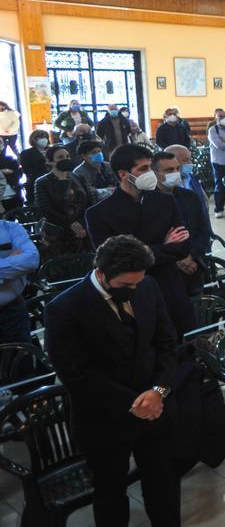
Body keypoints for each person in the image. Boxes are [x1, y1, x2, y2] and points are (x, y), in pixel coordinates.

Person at [45, 235, 180, 526]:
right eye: (125, 286)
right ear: (102, 273)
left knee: (163, 485)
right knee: (110, 494)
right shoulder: (65, 309)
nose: (133, 290)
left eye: (137, 283)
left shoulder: (148, 286)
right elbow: (77, 375)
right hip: (104, 419)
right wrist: (134, 402)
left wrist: (158, 391)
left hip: (154, 406)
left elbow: (167, 342)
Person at [86, 144, 193, 334]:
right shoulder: (99, 213)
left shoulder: (166, 202)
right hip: (132, 294)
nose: (150, 173)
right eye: (143, 169)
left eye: (151, 167)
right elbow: (115, 261)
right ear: (123, 174)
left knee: (181, 346)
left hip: (170, 288)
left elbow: (182, 247)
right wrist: (164, 245)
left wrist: (143, 249)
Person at [151, 151, 208, 296]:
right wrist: (177, 260)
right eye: (169, 170)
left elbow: (203, 230)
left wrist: (190, 256)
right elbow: (152, 238)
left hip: (193, 264)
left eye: (177, 168)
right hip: (163, 270)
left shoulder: (190, 197)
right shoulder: (147, 201)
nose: (175, 173)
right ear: (155, 173)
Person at [35, 145, 94, 257]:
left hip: (83, 229)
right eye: (60, 157)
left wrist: (82, 223)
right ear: (50, 161)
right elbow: (46, 209)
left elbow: (91, 203)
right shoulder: (42, 182)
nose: (66, 159)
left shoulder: (79, 178)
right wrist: (71, 224)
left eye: (67, 156)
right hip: (57, 233)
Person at [0, 217, 39, 352]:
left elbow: (31, 260)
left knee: (21, 366)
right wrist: (10, 260)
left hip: (12, 312)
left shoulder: (11, 228)